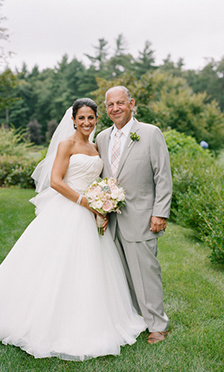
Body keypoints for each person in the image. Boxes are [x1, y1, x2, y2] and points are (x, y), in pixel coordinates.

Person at [0, 98, 147, 360]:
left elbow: (98, 179)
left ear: (96, 119)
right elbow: (56, 182)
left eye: (91, 118)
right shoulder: (66, 144)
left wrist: (102, 201)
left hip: (92, 211)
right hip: (69, 211)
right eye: (81, 118)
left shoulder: (95, 147)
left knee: (90, 268)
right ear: (73, 120)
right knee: (55, 265)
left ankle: (91, 319)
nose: (86, 122)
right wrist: (87, 203)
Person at [95, 86, 172, 344]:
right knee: (120, 274)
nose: (115, 108)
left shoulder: (150, 133)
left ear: (131, 103)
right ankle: (131, 320)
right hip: (111, 219)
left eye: (120, 103)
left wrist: (159, 212)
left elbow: (162, 176)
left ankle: (157, 325)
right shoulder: (102, 138)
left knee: (145, 272)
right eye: (110, 105)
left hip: (142, 216)